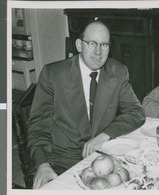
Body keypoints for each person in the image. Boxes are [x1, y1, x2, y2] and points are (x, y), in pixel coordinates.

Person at [27, 20, 145, 189]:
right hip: (62, 162)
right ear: (79, 45)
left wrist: (104, 135)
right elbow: (38, 128)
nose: (98, 51)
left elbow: (136, 112)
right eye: (92, 43)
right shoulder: (53, 74)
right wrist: (42, 165)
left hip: (105, 157)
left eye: (104, 45)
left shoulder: (118, 71)